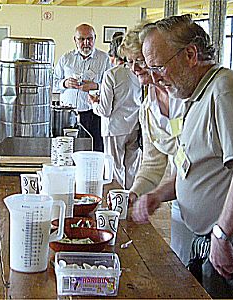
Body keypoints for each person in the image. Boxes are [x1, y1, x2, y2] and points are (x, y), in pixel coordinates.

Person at [135, 15, 233, 298]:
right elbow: (191, 166)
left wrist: (222, 235)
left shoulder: (225, 89)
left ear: (191, 54)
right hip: (220, 237)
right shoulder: (196, 96)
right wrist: (157, 195)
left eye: (158, 67)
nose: (154, 78)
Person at [118, 26, 194, 266]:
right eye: (130, 62)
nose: (134, 68)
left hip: (216, 203)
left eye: (140, 61)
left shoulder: (190, 96)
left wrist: (160, 193)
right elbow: (152, 161)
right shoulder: (148, 106)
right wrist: (135, 193)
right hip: (183, 201)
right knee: (183, 269)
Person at [88, 35, 142, 189]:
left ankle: (118, 201)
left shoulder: (111, 74)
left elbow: (104, 110)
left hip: (114, 128)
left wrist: (93, 103)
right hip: (135, 126)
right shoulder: (137, 73)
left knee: (115, 168)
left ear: (112, 56)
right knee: (132, 167)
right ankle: (132, 197)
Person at [53, 23, 111, 152]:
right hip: (67, 114)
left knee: (95, 150)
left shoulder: (104, 59)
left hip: (94, 114)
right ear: (75, 40)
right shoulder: (66, 59)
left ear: (95, 38)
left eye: (90, 39)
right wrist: (65, 83)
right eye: (81, 39)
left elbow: (112, 87)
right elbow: (52, 83)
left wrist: (96, 86)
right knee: (67, 151)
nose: (86, 43)